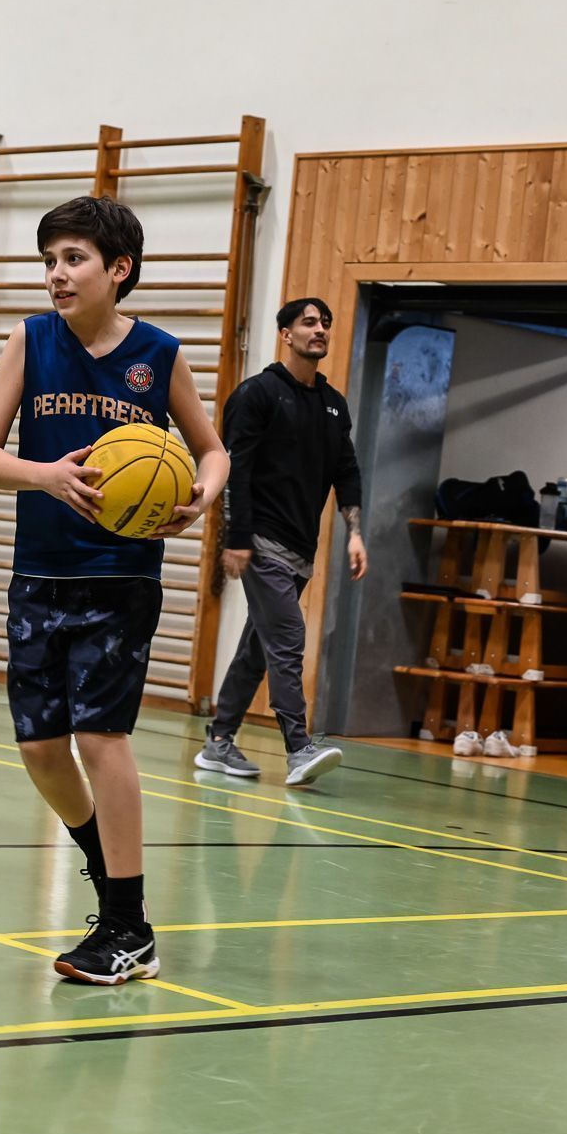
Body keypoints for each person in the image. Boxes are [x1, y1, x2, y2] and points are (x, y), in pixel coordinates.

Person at [0, 196, 228, 986]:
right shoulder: (30, 340)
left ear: (119, 270)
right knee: (40, 748)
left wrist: (201, 497)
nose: (56, 274)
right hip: (38, 573)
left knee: (99, 738)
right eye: (49, 260)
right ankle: (102, 861)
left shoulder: (159, 353)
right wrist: (43, 474)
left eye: (73, 259)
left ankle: (127, 925)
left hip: (121, 576)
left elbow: (212, 452)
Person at [196, 297, 366, 788]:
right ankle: (298, 747)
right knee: (289, 637)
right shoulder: (257, 395)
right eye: (309, 323)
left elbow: (346, 472)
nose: (320, 331)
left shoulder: (333, 405)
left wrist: (355, 533)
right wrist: (237, 538)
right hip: (261, 542)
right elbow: (236, 472)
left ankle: (219, 742)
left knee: (258, 646)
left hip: (300, 549)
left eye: (325, 324)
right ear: (286, 334)